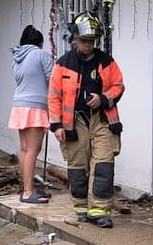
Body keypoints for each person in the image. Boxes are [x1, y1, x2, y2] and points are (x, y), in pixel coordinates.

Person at [48, 12, 125, 227]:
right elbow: (54, 96)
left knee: (103, 165)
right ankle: (81, 207)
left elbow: (118, 86)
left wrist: (102, 99)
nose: (88, 45)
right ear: (75, 39)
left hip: (101, 120)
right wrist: (56, 126)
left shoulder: (106, 62)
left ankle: (100, 210)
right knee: (77, 167)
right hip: (74, 122)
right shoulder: (63, 64)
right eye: (84, 41)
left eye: (91, 41)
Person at [8, 24, 54, 203]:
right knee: (33, 150)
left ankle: (28, 188)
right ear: (40, 43)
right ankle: (28, 192)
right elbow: (53, 79)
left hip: (19, 105)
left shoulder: (16, 57)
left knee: (25, 149)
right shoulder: (41, 54)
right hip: (35, 105)